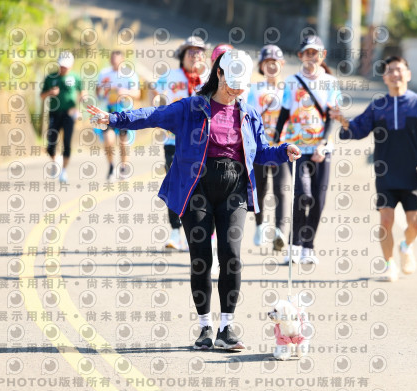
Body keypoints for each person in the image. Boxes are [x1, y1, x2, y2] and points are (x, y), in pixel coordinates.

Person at [87, 49, 301, 350]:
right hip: (196, 189)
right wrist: (113, 119)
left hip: (234, 189)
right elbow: (152, 116)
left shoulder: (248, 113)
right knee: (201, 259)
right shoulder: (192, 107)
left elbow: (261, 151)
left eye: (241, 86)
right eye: (231, 84)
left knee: (232, 256)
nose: (236, 91)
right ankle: (204, 327)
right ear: (219, 74)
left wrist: (283, 151)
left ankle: (226, 327)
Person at [330, 56, 417, 281]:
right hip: (386, 173)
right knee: (385, 221)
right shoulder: (378, 106)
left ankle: (406, 246)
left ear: (408, 74)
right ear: (384, 78)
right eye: (390, 71)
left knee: (415, 222)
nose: (395, 74)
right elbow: (358, 129)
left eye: (399, 69)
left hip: (414, 173)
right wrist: (342, 120)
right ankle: (389, 264)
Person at [273, 35, 340, 264]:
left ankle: (308, 248)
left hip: (322, 149)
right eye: (307, 53)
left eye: (315, 53)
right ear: (301, 55)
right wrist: (275, 139)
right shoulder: (292, 81)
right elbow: (284, 112)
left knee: (318, 200)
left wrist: (322, 144)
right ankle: (293, 245)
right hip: (297, 147)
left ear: (323, 55)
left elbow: (331, 116)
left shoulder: (330, 82)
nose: (311, 57)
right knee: (303, 195)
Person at [155, 36, 209, 250]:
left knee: (201, 187)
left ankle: (195, 232)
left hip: (202, 143)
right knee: (176, 183)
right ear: (182, 55)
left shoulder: (210, 78)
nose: (195, 55)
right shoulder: (170, 76)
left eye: (199, 51)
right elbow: (156, 97)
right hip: (173, 140)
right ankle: (175, 231)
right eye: (190, 51)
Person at [247, 44, 289, 250]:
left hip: (282, 147)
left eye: (275, 62)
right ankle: (259, 225)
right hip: (261, 148)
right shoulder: (255, 89)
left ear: (282, 64)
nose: (271, 66)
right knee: (260, 189)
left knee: (281, 189)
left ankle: (280, 232)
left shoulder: (289, 89)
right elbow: (249, 116)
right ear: (261, 66)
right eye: (267, 62)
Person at [40, 51, 87, 183]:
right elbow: (42, 96)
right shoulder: (51, 78)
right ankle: (56, 161)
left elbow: (82, 93)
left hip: (69, 113)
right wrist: (50, 92)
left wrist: (82, 101)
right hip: (54, 113)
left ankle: (64, 171)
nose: (63, 68)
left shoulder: (75, 77)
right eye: (61, 66)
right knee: (51, 144)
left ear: (71, 65)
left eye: (65, 66)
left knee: (67, 142)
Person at [96, 50, 141, 181]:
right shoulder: (104, 73)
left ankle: (124, 168)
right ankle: (111, 167)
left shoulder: (130, 74)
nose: (114, 62)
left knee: (123, 141)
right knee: (108, 140)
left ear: (122, 60)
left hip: (124, 112)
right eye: (112, 59)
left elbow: (137, 94)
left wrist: (124, 92)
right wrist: (103, 90)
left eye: (117, 59)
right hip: (108, 111)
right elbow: (98, 92)